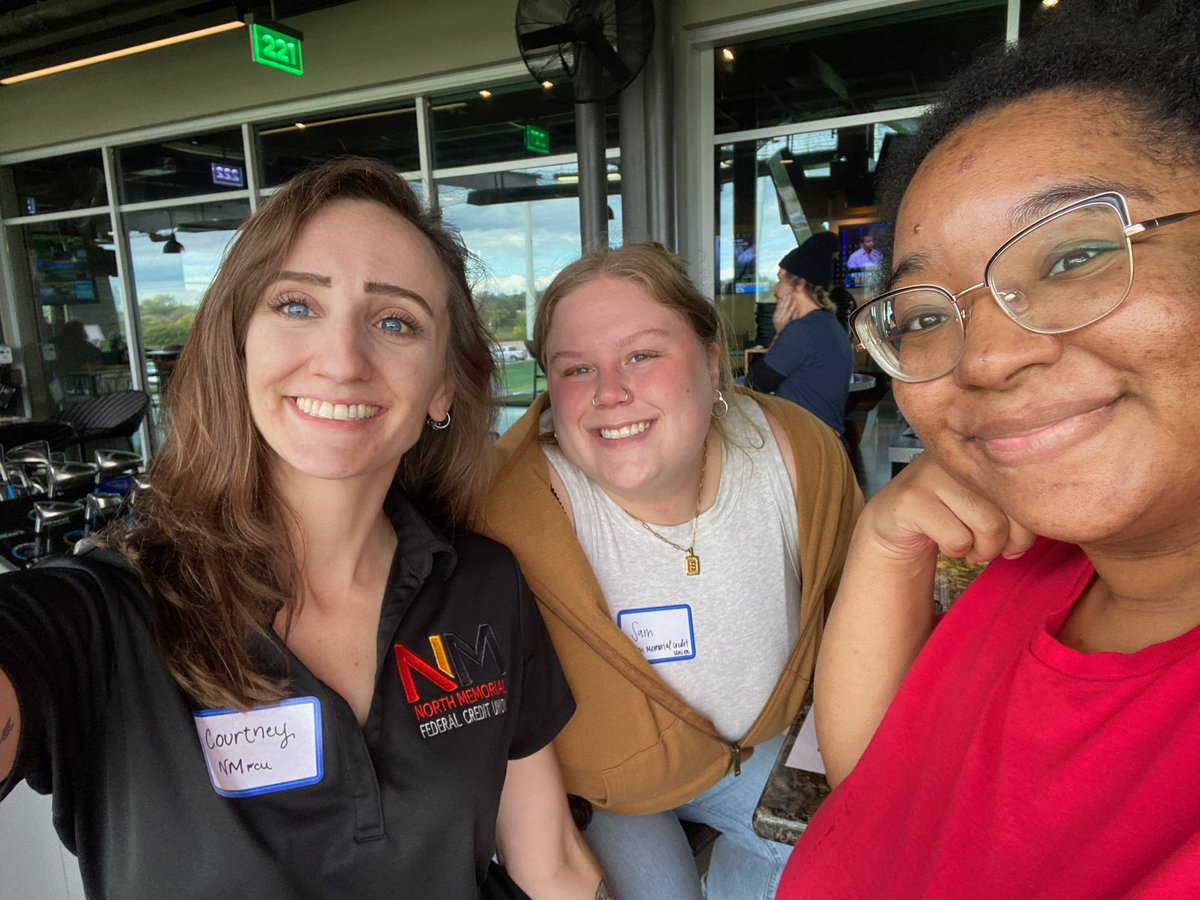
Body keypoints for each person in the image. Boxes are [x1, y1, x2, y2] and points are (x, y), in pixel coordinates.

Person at [0, 158, 606, 899]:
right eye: (295, 305)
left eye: (395, 322)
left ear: (442, 384)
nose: (342, 360)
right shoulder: (108, 617)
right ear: (239, 342)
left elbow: (553, 866)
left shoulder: (481, 586)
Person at [780, 1, 1200, 896]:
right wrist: (886, 539)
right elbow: (881, 784)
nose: (988, 356)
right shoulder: (1037, 567)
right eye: (927, 315)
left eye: (1071, 256)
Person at [478, 242, 861, 900]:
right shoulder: (504, 510)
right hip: (606, 788)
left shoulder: (799, 456)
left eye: (641, 355)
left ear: (711, 360)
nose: (609, 393)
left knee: (857, 863)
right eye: (575, 369)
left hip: (757, 750)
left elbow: (858, 613)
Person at [746, 232, 854, 441]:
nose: (776, 289)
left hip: (807, 445)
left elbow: (755, 384)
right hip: (828, 443)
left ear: (800, 284)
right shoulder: (829, 325)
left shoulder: (802, 331)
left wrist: (780, 332)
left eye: (780, 280)